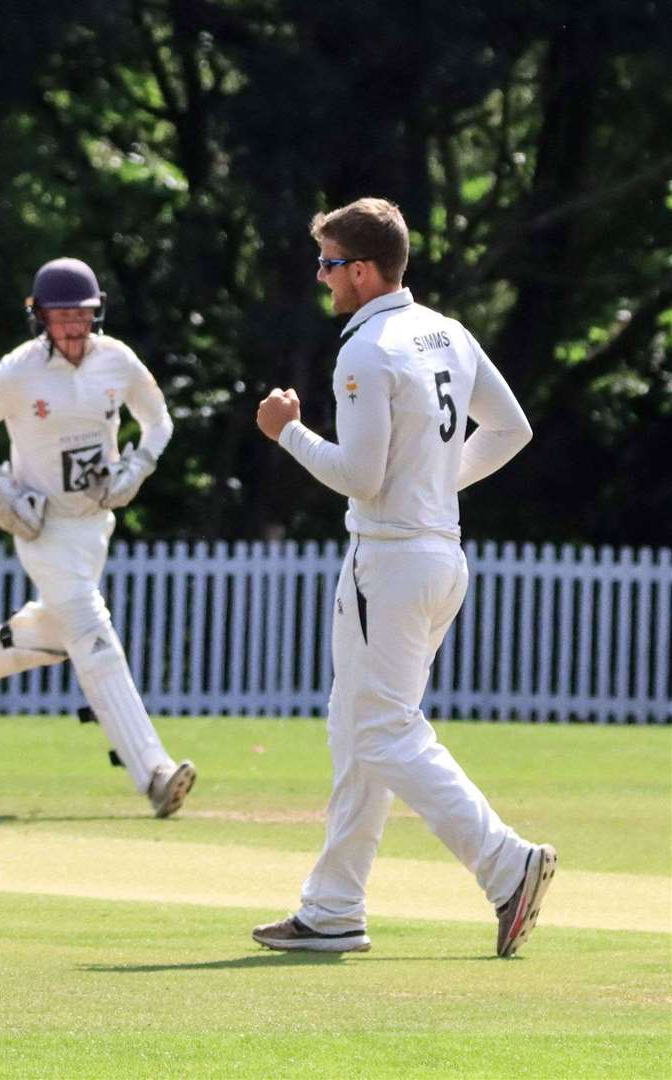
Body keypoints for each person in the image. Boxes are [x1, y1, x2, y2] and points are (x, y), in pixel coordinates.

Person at [251, 197, 554, 956]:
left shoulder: (366, 349)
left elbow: (358, 475)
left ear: (360, 270)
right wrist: (437, 486)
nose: (321, 279)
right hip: (439, 555)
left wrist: (285, 432)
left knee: (380, 732)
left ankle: (506, 863)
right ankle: (331, 909)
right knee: (357, 730)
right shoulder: (443, 332)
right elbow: (509, 428)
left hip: (386, 561)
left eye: (326, 265)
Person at [0, 257, 196, 818]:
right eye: (60, 317)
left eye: (82, 316)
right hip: (41, 525)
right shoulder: (17, 371)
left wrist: (137, 468)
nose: (72, 328)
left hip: (93, 524)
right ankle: (153, 771)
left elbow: (160, 420)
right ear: (40, 318)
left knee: (54, 634)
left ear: (97, 314)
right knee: (92, 635)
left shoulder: (117, 360)